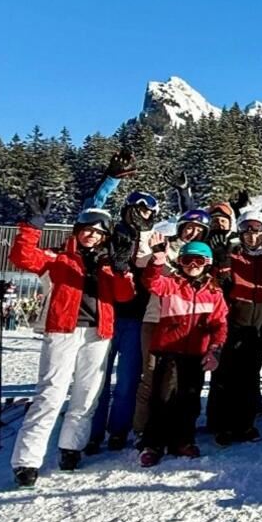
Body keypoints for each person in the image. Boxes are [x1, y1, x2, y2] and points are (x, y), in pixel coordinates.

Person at [8, 192, 136, 487]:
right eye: (87, 230)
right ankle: (26, 461)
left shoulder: (108, 263)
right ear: (77, 231)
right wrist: (32, 226)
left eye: (98, 232)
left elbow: (124, 296)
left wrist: (121, 269)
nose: (91, 236)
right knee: (50, 393)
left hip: (98, 333)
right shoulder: (59, 257)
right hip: (62, 331)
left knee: (87, 394)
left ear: (105, 236)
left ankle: (71, 448)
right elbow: (22, 256)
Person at [138, 237, 227, 466]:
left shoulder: (214, 291)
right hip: (169, 350)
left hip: (196, 353)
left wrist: (215, 350)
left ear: (207, 263)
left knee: (190, 398)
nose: (193, 266)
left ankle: (183, 440)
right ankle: (153, 443)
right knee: (163, 396)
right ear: (180, 262)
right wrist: (158, 260)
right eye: (187, 260)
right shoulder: (172, 284)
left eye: (199, 261)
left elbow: (220, 324)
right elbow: (151, 282)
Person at [206, 212, 262, 444]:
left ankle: (245, 424)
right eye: (247, 231)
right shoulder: (233, 255)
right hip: (234, 320)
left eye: (257, 231)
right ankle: (222, 425)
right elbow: (219, 287)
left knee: (250, 373)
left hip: (260, 323)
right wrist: (222, 262)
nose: (252, 236)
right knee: (227, 372)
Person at [89, 188, 158, 453]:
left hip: (136, 317)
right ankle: (92, 431)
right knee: (97, 379)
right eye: (138, 209)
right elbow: (90, 213)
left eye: (147, 212)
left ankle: (118, 430)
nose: (142, 215)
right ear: (127, 210)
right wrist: (110, 181)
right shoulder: (110, 233)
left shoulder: (152, 238)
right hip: (105, 313)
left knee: (128, 380)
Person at [132, 208, 210, 440]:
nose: (192, 232)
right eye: (189, 227)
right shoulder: (165, 246)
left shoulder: (202, 256)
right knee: (150, 376)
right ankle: (142, 428)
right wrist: (149, 240)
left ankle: (174, 429)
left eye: (198, 230)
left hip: (185, 326)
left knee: (178, 381)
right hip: (156, 319)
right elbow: (141, 261)